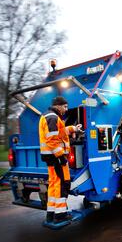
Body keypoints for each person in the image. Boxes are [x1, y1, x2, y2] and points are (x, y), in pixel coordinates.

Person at [38, 96, 82, 224]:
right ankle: (60, 215)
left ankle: (51, 214)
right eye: (65, 107)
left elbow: (60, 132)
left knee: (54, 183)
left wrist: (74, 129)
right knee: (63, 184)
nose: (66, 109)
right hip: (56, 157)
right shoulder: (53, 117)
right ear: (58, 106)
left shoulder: (49, 116)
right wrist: (61, 156)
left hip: (50, 158)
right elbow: (51, 140)